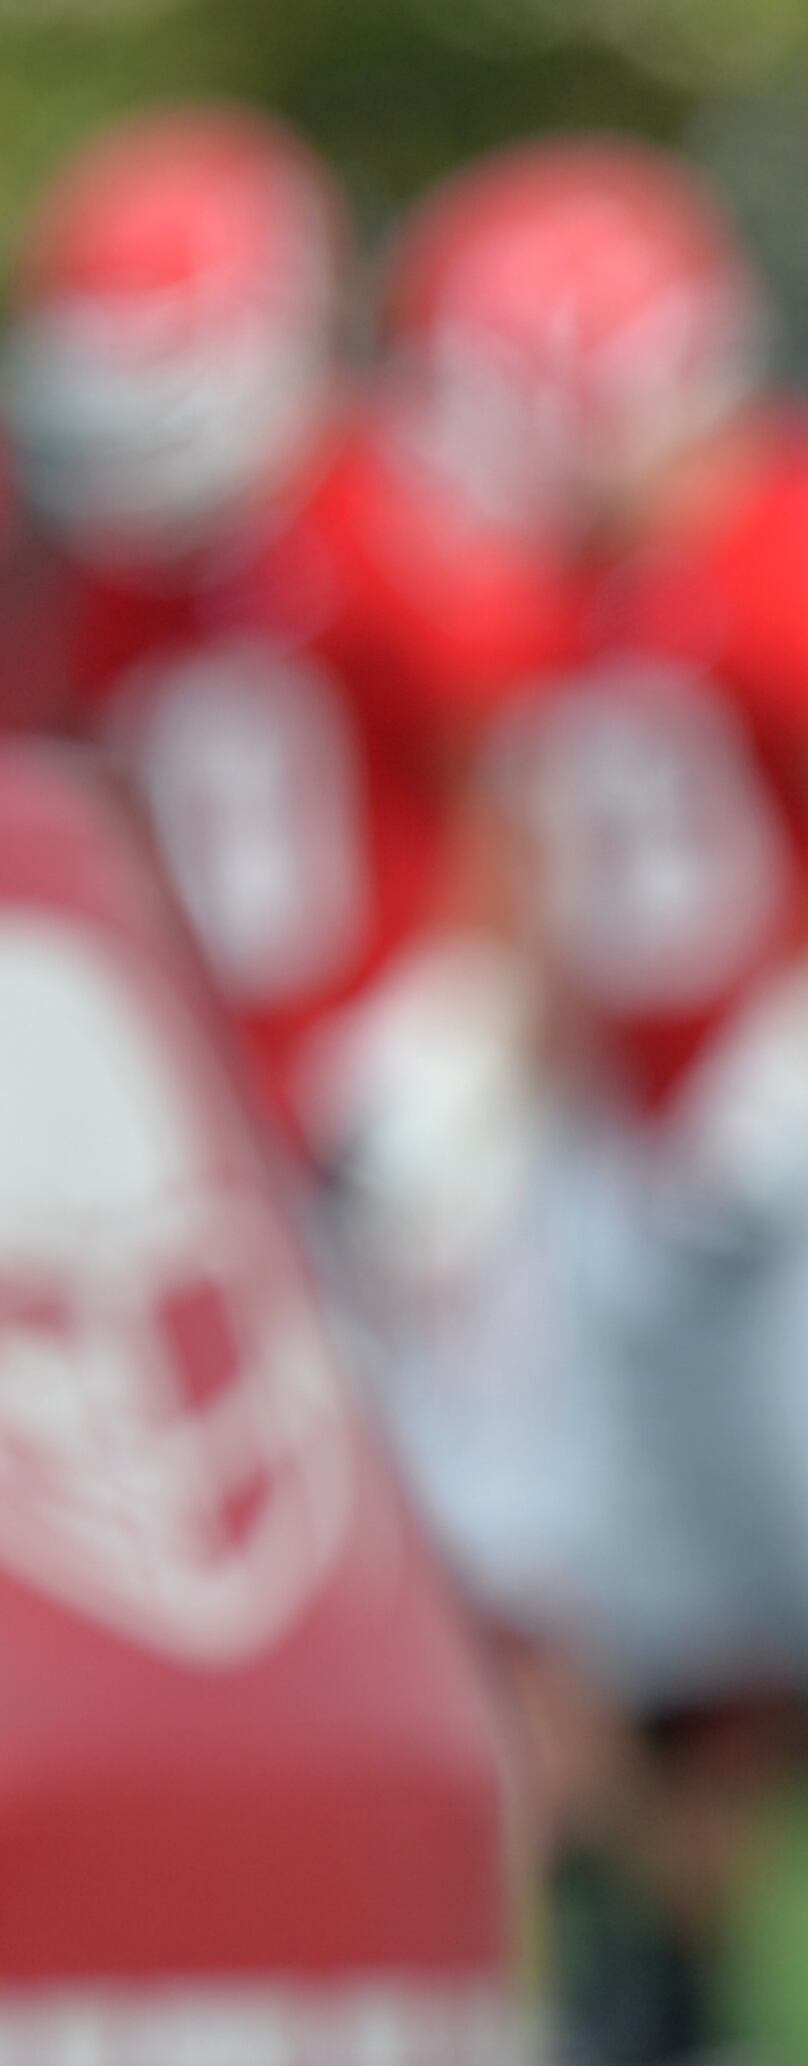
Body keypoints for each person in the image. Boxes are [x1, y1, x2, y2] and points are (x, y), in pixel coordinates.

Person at [389, 138, 808, 2066]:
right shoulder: (535, 579)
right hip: (636, 1138)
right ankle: (669, 1976)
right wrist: (467, 1061)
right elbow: (519, 857)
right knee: (659, 1592)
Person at [1, 105, 566, 1300]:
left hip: (388, 1083)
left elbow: (525, 788)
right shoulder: (102, 572)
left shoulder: (399, 521)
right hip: (202, 1093)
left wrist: (463, 1031)